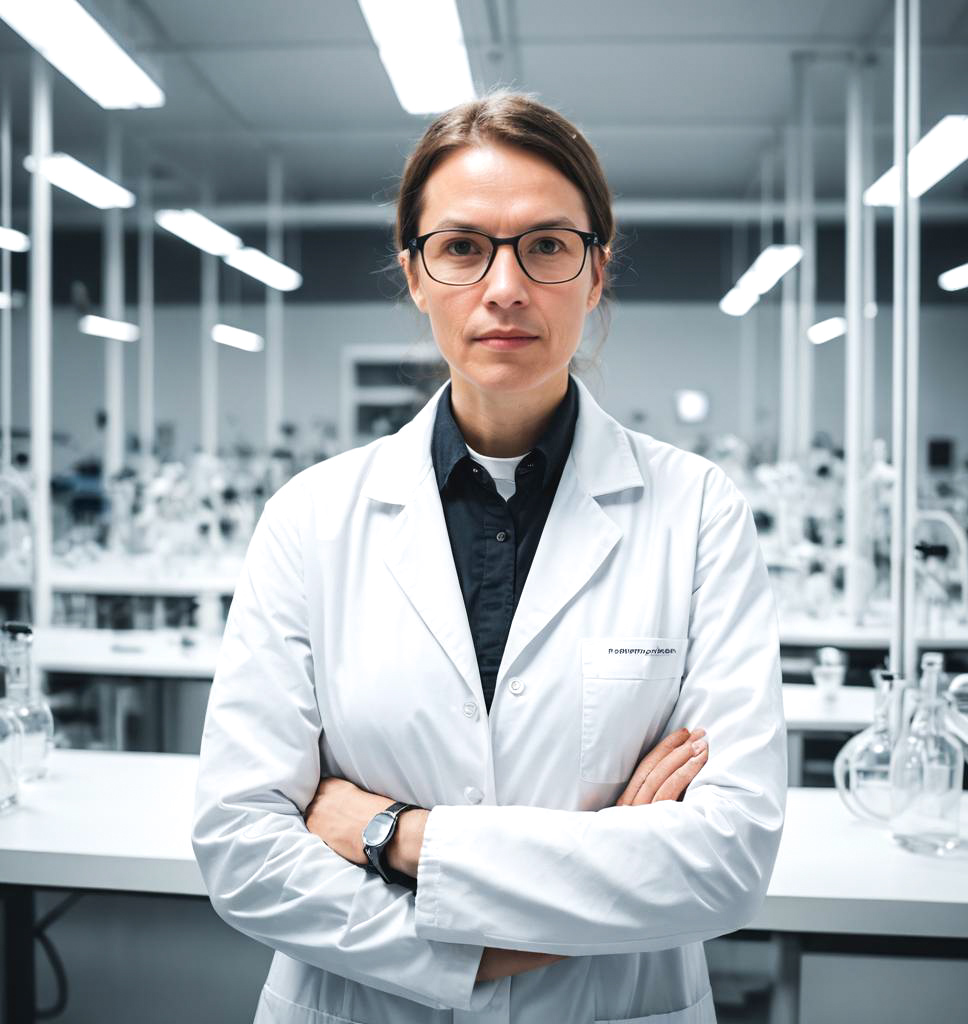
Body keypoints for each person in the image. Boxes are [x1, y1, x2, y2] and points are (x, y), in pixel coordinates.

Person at [192, 89, 787, 1024]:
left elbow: (726, 863)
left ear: (595, 274)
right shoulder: (310, 518)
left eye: (546, 246)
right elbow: (242, 850)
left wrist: (395, 835)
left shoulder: (698, 512)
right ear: (416, 274)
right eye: (463, 247)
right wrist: (527, 930)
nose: (504, 286)